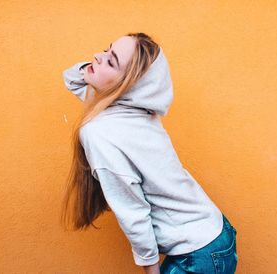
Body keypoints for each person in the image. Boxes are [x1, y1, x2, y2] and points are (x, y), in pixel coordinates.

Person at [60, 32, 238, 274]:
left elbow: (134, 215)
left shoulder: (101, 131)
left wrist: (151, 271)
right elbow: (72, 78)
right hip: (215, 232)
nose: (96, 56)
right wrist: (101, 67)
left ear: (128, 86)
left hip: (199, 253)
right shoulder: (135, 111)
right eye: (106, 49)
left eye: (111, 61)